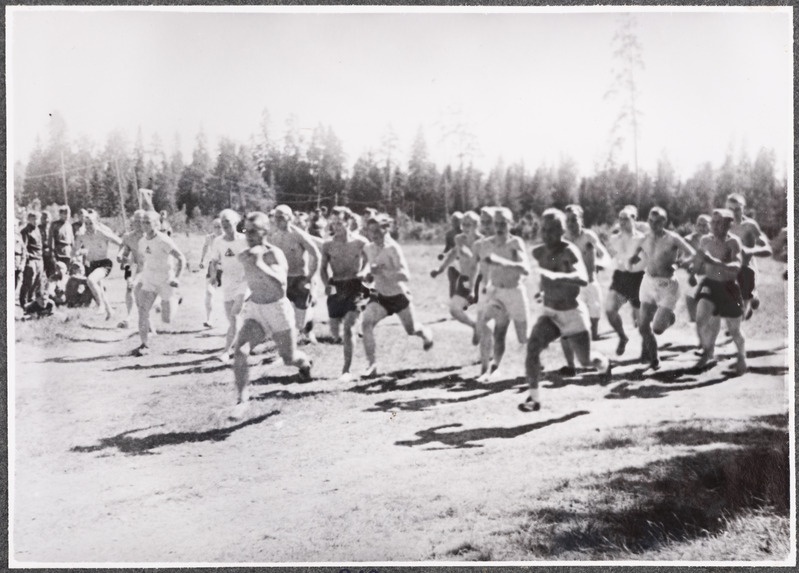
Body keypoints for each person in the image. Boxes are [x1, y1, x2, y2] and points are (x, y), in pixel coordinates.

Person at [521, 209, 611, 412]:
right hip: (551, 313)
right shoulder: (539, 252)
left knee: (586, 360)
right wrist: (542, 290)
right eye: (544, 229)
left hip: (572, 314)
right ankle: (533, 399)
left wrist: (557, 278)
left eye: (552, 230)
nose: (547, 234)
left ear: (561, 231)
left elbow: (581, 277)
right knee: (533, 346)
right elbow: (543, 274)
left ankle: (604, 364)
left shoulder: (569, 250)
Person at [231, 212, 313, 417]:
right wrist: (240, 300)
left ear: (265, 231)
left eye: (253, 231)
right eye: (245, 231)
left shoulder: (274, 253)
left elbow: (280, 286)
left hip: (277, 310)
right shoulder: (246, 252)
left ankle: (305, 363)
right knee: (240, 350)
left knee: (289, 358)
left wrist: (259, 263)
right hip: (256, 310)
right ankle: (242, 400)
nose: (248, 235)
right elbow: (245, 280)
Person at [360, 214, 434, 377]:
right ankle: (372, 365)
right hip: (379, 295)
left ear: (386, 229)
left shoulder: (393, 248)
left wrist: (383, 271)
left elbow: (405, 275)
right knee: (366, 324)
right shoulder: (369, 248)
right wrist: (366, 274)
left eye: (377, 231)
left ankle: (426, 334)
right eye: (371, 231)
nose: (374, 235)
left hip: (398, 296)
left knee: (412, 330)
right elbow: (369, 266)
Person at [629, 206, 695, 370]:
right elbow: (632, 256)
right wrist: (631, 262)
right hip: (649, 282)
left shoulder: (673, 238)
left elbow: (692, 253)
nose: (653, 224)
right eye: (650, 220)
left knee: (657, 329)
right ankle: (654, 358)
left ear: (664, 221)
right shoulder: (644, 238)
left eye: (658, 221)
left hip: (668, 285)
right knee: (643, 325)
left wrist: (681, 263)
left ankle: (668, 318)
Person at [473, 207, 531, 382]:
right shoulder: (486, 244)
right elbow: (481, 271)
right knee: (490, 327)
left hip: (515, 293)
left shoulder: (515, 243)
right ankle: (490, 369)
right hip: (497, 293)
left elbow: (525, 269)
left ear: (510, 224)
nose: (499, 227)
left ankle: (536, 359)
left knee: (523, 338)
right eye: (496, 223)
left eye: (503, 223)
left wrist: (501, 262)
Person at [693, 209, 747, 376]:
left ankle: (742, 357)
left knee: (734, 330)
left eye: (719, 222)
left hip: (729, 287)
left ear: (728, 224)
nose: (714, 226)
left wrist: (714, 262)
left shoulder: (733, 242)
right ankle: (708, 352)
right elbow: (698, 264)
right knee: (701, 320)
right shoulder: (704, 240)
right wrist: (694, 268)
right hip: (710, 284)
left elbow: (737, 267)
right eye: (713, 222)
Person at [319, 206, 370, 382]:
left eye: (340, 223)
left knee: (348, 328)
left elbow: (370, 260)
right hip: (336, 286)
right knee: (335, 332)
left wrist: (364, 271)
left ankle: (346, 370)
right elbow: (323, 269)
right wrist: (328, 286)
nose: (337, 227)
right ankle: (350, 330)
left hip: (356, 286)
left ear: (349, 222)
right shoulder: (327, 245)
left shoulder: (360, 242)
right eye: (334, 224)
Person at [132, 211, 186, 356]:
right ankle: (144, 345)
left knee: (166, 319)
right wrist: (137, 277)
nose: (143, 225)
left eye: (147, 222)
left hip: (165, 279)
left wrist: (177, 278)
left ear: (156, 224)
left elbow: (181, 258)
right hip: (149, 278)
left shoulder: (164, 240)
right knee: (142, 310)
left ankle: (174, 298)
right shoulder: (142, 241)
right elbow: (142, 262)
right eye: (142, 222)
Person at [269, 204, 321, 343]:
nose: (278, 221)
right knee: (281, 314)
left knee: (301, 321)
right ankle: (287, 344)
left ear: (289, 218)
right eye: (276, 218)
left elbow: (316, 255)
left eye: (281, 217)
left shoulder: (298, 235)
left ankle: (308, 329)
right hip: (281, 279)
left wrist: (309, 278)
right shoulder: (273, 235)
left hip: (299, 279)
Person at [604, 206, 647, 356]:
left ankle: (646, 347)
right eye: (620, 218)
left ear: (634, 219)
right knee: (610, 310)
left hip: (638, 279)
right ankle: (623, 337)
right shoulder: (615, 238)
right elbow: (614, 256)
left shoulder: (642, 238)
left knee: (642, 323)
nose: (622, 221)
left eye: (626, 218)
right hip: (620, 278)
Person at [209, 210, 250, 362]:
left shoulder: (244, 239)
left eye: (228, 222)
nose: (225, 225)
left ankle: (226, 351)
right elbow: (213, 261)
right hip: (228, 282)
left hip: (244, 281)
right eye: (223, 222)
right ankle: (242, 345)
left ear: (235, 222)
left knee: (234, 314)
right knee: (233, 320)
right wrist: (213, 276)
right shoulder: (218, 241)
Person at [430, 211, 482, 329]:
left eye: (469, 224)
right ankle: (476, 327)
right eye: (463, 224)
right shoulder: (459, 238)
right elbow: (454, 253)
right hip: (465, 280)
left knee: (487, 313)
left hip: (480, 280)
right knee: (454, 309)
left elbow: (475, 266)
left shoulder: (483, 242)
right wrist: (440, 269)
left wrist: (472, 289)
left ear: (476, 225)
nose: (465, 227)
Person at [725, 193, 772, 319]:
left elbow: (768, 248)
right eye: (730, 209)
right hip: (731, 270)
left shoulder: (750, 226)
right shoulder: (724, 225)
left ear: (743, 208)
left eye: (737, 209)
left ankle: (752, 297)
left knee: (742, 307)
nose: (734, 213)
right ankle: (749, 302)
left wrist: (751, 251)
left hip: (748, 269)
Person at [564, 204, 606, 341]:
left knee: (595, 311)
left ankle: (593, 336)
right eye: (568, 220)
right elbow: (553, 257)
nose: (571, 223)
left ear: (580, 219)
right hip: (573, 285)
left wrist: (598, 264)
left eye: (574, 219)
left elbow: (603, 255)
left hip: (591, 281)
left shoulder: (588, 236)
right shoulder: (563, 239)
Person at [73, 210, 123, 320]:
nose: (89, 226)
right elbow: (75, 250)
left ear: (96, 223)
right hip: (91, 264)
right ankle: (110, 311)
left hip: (104, 263)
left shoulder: (102, 233)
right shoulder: (82, 235)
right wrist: (77, 254)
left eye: (91, 223)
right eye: (86, 224)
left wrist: (120, 255)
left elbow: (121, 243)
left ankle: (100, 305)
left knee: (91, 280)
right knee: (99, 288)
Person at [116, 210, 146, 329]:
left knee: (143, 294)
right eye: (136, 221)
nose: (139, 224)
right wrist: (120, 255)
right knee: (130, 287)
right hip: (135, 266)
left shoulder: (151, 236)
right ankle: (128, 317)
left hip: (150, 267)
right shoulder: (128, 236)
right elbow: (124, 250)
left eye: (141, 221)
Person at [682, 214, 711, 323]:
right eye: (699, 225)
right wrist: (690, 267)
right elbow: (683, 259)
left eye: (705, 225)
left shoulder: (715, 240)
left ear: (710, 226)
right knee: (689, 292)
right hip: (694, 274)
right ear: (695, 226)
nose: (702, 228)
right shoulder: (688, 239)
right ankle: (694, 320)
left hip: (710, 275)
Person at [199, 218, 224, 327]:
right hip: (213, 267)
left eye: (220, 226)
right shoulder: (209, 238)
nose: (218, 229)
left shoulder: (229, 238)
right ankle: (209, 319)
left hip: (227, 268)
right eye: (215, 227)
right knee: (209, 293)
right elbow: (204, 247)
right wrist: (202, 260)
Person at [19, 211, 44, 308]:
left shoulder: (38, 229)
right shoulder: (25, 231)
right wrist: (27, 259)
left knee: (37, 281)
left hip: (39, 258)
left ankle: (31, 300)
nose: (36, 221)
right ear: (29, 219)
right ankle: (23, 302)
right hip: (31, 259)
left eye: (37, 219)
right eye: (33, 219)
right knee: (28, 281)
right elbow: (23, 246)